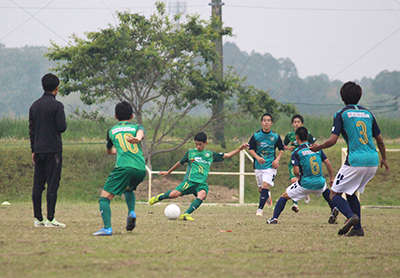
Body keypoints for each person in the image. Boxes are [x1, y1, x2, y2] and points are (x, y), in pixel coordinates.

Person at [310, 81, 389, 237]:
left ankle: (350, 216)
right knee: (351, 193)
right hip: (373, 160)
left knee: (334, 195)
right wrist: (384, 159)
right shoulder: (368, 113)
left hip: (355, 160)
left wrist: (318, 147)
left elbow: (332, 140)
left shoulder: (341, 114)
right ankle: (358, 229)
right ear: (359, 96)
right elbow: (380, 140)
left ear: (342, 97)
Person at [149, 132, 249, 221]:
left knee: (202, 195)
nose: (197, 146)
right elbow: (180, 163)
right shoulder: (190, 152)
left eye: (200, 144)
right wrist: (168, 172)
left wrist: (240, 148)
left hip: (201, 183)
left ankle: (186, 214)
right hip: (190, 181)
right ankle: (160, 197)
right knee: (174, 194)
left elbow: (227, 155)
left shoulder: (210, 154)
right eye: (196, 144)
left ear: (205, 143)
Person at [93, 101, 147, 236]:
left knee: (104, 198)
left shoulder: (111, 130)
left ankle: (107, 228)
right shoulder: (137, 127)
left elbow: (109, 150)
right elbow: (140, 133)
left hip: (124, 167)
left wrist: (118, 150)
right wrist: (137, 139)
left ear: (116, 116)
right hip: (141, 168)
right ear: (132, 116)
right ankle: (132, 212)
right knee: (128, 188)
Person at [267, 127, 335, 224]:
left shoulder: (296, 152)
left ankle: (274, 218)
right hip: (319, 181)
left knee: (284, 196)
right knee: (325, 190)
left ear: (297, 137)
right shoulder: (317, 148)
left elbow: (296, 172)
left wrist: (299, 176)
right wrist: (331, 178)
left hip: (305, 183)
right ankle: (334, 210)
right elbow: (328, 164)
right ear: (307, 136)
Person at [29, 73, 67, 227]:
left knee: (38, 184)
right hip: (53, 150)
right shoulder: (57, 106)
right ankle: (50, 219)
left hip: (38, 149)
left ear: (42, 86)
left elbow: (31, 129)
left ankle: (38, 219)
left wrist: (33, 149)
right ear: (56, 89)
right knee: (52, 184)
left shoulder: (34, 105)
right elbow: (62, 127)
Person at [248, 113, 284, 216]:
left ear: (271, 123)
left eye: (268, 120)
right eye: (264, 120)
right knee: (261, 188)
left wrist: (277, 160)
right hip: (258, 166)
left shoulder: (275, 136)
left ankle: (259, 210)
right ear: (261, 122)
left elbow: (281, 149)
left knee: (265, 184)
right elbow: (251, 149)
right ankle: (266, 195)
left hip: (270, 166)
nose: (266, 122)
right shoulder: (256, 136)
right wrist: (257, 157)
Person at [283, 114, 316, 212]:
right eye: (295, 122)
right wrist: (289, 148)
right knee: (294, 180)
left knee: (304, 180)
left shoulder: (307, 134)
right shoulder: (290, 135)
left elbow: (314, 144)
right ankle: (295, 204)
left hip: (305, 161)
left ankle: (306, 194)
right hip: (294, 161)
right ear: (292, 124)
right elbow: (283, 145)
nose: (296, 124)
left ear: (302, 124)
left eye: (298, 122)